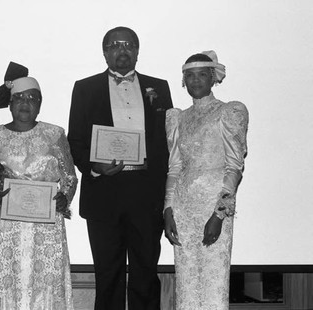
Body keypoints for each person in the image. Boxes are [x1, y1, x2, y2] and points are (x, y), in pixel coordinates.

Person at [67, 26, 173, 310]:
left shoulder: (159, 87)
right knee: (107, 274)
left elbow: (167, 140)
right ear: (104, 52)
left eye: (128, 44)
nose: (122, 50)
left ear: (137, 51)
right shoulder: (85, 87)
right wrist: (94, 165)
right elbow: (75, 140)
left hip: (146, 193)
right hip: (104, 192)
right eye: (114, 45)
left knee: (146, 273)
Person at [0, 63, 77, 309]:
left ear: (40, 104)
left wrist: (65, 197)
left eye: (32, 98)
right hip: (7, 227)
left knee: (45, 284)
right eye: (19, 98)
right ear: (10, 103)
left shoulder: (54, 134)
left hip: (46, 227)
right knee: (9, 281)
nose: (25, 103)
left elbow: (70, 177)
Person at [163, 50, 249, 309]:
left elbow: (235, 166)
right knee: (187, 280)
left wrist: (219, 213)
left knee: (213, 278)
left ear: (213, 78)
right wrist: (167, 209)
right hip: (183, 207)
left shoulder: (229, 112)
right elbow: (175, 166)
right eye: (189, 76)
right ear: (183, 80)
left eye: (202, 75)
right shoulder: (178, 117)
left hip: (213, 205)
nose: (195, 80)